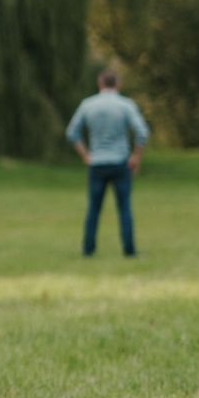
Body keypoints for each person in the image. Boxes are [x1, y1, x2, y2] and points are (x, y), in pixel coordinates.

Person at [66, 68, 150, 258]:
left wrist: (85, 155)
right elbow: (142, 132)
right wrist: (136, 156)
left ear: (100, 83)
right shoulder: (126, 105)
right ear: (117, 84)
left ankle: (88, 249)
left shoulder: (88, 105)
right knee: (125, 207)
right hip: (121, 163)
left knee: (94, 208)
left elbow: (72, 133)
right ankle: (129, 250)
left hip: (97, 163)